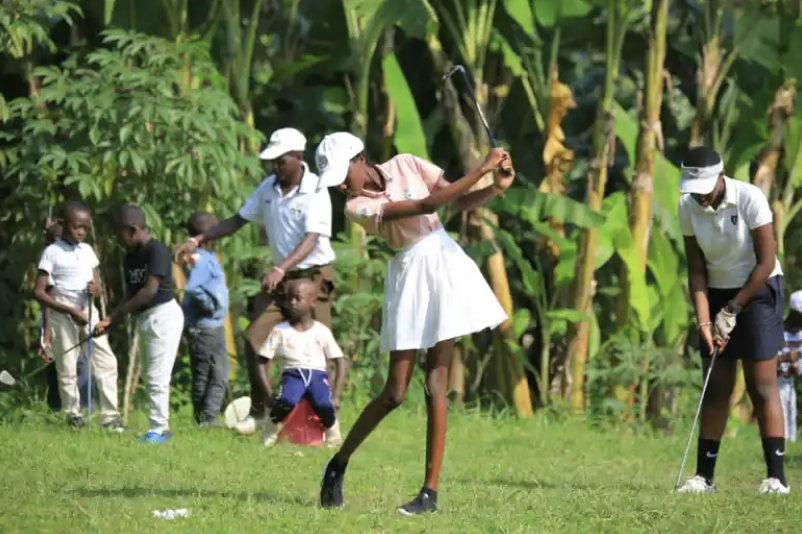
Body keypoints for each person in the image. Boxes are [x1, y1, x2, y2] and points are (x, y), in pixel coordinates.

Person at [314, 132, 512, 515]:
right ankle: (338, 463)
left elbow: (455, 201)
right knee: (395, 392)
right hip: (410, 272)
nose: (340, 185)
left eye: (342, 175)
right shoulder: (356, 206)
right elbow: (426, 204)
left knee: (437, 381)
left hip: (444, 261)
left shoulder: (406, 162)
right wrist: (483, 167)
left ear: (360, 158)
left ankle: (429, 494)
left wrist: (495, 188)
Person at [173, 127, 337, 436]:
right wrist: (198, 239)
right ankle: (261, 413)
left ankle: (320, 422)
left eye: (281, 160)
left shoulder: (316, 188)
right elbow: (237, 220)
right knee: (254, 341)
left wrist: (280, 267)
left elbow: (312, 238)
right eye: (272, 160)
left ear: (298, 157)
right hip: (282, 281)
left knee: (318, 350)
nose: (275, 166)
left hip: (313, 278)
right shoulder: (268, 188)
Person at [675, 146, 789, 495]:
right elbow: (696, 270)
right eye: (694, 190)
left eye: (705, 189)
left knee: (761, 384)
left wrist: (732, 310)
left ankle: (776, 479)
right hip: (715, 290)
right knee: (716, 385)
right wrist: (704, 321)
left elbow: (766, 262)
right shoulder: (687, 206)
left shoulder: (749, 198)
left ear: (721, 177)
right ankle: (703, 478)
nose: (700, 197)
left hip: (758, 287)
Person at [94, 204, 184, 444]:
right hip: (145, 318)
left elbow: (149, 291)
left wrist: (117, 315)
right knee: (149, 374)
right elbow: (130, 293)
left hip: (163, 316)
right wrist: (111, 320)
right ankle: (160, 428)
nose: (118, 239)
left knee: (157, 376)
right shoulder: (129, 257)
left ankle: (158, 430)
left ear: (133, 230)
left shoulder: (157, 250)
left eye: (120, 234)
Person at [32, 201, 122, 430]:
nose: (81, 232)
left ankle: (110, 418)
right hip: (64, 312)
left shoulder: (88, 250)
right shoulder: (52, 252)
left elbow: (97, 286)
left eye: (85, 228)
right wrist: (70, 311)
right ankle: (73, 416)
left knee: (107, 361)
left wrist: (96, 290)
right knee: (68, 366)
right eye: (76, 227)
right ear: (64, 224)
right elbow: (39, 292)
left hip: (88, 311)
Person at [256, 277, 346, 447]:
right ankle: (270, 429)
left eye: (298, 298)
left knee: (323, 403)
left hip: (317, 376)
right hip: (293, 374)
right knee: (286, 401)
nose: (292, 303)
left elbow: (340, 361)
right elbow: (261, 361)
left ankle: (333, 434)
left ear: (312, 302)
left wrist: (336, 395)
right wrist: (268, 394)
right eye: (289, 298)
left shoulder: (321, 331)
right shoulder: (280, 331)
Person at [39, 220, 97, 412]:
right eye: (55, 238)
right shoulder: (51, 259)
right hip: (59, 320)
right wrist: (46, 335)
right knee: (66, 368)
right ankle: (68, 412)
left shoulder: (77, 256)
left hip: (79, 316)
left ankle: (85, 409)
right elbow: (47, 300)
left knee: (82, 366)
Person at [181, 212, 231, 427]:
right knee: (218, 374)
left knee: (203, 374)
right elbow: (193, 288)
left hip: (204, 327)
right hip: (208, 328)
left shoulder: (201, 258)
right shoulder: (202, 260)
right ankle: (209, 418)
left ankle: (201, 418)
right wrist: (210, 305)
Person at [778, 290, 802, 442]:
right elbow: (763, 358)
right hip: (774, 384)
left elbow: (798, 371)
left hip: (789, 384)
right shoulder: (776, 330)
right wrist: (784, 358)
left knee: (791, 416)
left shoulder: (800, 336)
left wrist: (794, 364)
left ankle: (789, 447)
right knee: (780, 417)